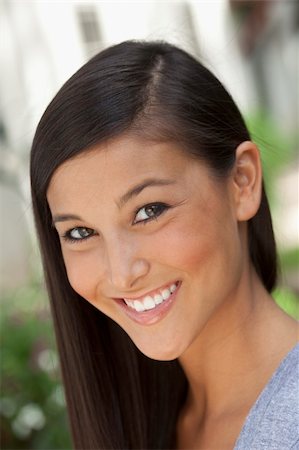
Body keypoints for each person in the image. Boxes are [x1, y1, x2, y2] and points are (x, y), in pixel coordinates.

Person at [30, 40, 298, 449]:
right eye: (80, 233)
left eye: (149, 210)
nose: (122, 272)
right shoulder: (144, 422)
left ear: (242, 182)